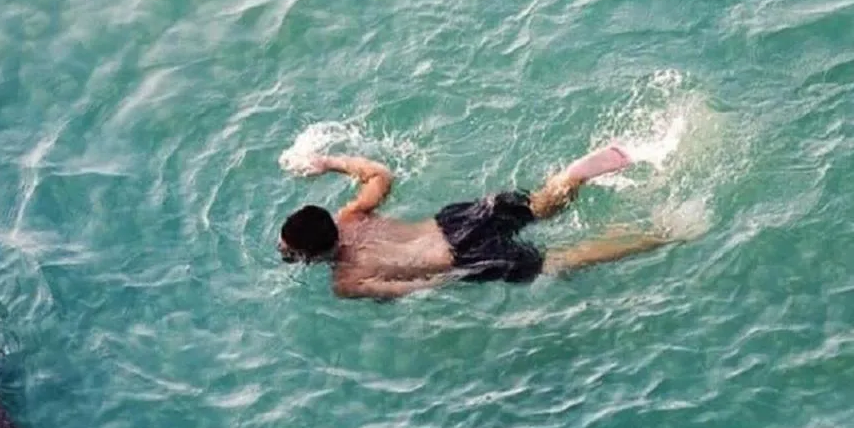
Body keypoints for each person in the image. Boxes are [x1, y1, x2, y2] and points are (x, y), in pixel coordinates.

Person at [278, 145, 679, 299]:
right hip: (455, 221)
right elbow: (380, 174)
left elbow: (418, 286)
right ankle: (573, 175)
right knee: (542, 204)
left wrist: (459, 277)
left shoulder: (346, 281)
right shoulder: (351, 216)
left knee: (561, 260)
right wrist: (328, 162)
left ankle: (664, 233)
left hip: (464, 256)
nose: (284, 250)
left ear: (311, 256)